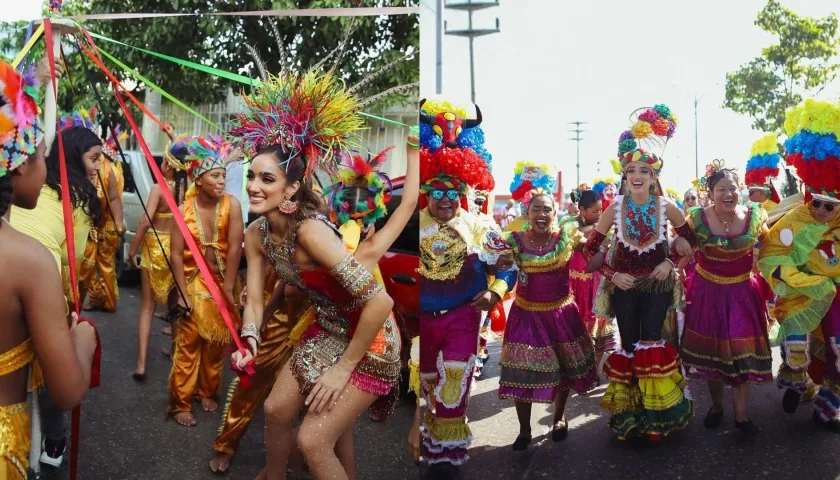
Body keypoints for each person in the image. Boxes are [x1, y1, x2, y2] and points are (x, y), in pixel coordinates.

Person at [228, 34, 418, 478]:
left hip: (370, 342)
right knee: (275, 409)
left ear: (291, 189)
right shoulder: (257, 235)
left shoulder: (312, 233)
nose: (255, 186)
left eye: (268, 179)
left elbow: (380, 302)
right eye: (252, 175)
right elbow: (255, 299)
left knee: (312, 441)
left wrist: (341, 371)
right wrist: (251, 338)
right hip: (327, 330)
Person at [0, 56, 98, 479]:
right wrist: (82, 339)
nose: (46, 168)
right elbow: (68, 388)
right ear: (20, 164)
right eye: (41, 156)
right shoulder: (29, 261)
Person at [582, 104, 695, 441]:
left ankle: (656, 414)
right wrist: (611, 274)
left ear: (653, 176)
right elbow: (590, 250)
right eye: (632, 169)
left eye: (644, 170)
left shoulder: (666, 206)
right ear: (624, 174)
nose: (638, 175)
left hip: (656, 287)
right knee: (629, 344)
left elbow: (690, 239)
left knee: (651, 341)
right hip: (624, 288)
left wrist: (670, 263)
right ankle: (631, 416)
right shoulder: (614, 208)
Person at [417, 98, 516, 480]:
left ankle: (447, 454)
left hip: (462, 317)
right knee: (427, 382)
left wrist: (493, 293)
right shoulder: (414, 222)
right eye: (436, 191)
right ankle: (429, 438)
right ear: (426, 186)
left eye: (452, 191)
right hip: (423, 320)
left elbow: (509, 268)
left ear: (463, 188)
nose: (444, 199)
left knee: (455, 377)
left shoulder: (479, 225)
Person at [758, 98, 840, 431]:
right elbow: (772, 251)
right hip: (799, 290)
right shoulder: (794, 216)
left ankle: (828, 405)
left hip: (835, 293)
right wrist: (792, 273)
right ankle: (795, 380)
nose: (821, 210)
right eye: (816, 203)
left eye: (830, 205)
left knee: (837, 347)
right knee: (796, 345)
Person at [499, 181, 597, 450]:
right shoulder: (514, 241)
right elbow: (501, 268)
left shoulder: (566, 237)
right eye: (536, 210)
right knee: (523, 372)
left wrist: (609, 256)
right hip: (525, 315)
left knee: (563, 371)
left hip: (560, 315)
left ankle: (559, 417)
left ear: (555, 214)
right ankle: (524, 431)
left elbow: (594, 252)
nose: (542, 214)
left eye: (547, 210)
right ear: (527, 213)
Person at [679, 160, 773, 436]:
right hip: (708, 292)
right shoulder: (696, 218)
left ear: (739, 189)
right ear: (711, 192)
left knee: (741, 358)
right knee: (713, 356)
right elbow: (680, 247)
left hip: (743, 292)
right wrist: (677, 249)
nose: (727, 193)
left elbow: (767, 242)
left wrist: (764, 256)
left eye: (732, 187)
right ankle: (717, 406)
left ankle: (741, 417)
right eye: (721, 188)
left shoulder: (755, 214)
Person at [168, 135, 244, 426]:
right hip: (192, 282)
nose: (222, 181)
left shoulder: (232, 205)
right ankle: (181, 402)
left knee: (216, 344)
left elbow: (235, 247)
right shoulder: (183, 210)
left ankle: (206, 391)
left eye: (224, 175)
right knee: (188, 342)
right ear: (198, 179)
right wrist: (184, 294)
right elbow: (176, 255)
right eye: (215, 175)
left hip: (222, 282)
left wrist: (227, 288)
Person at [127, 126, 188, 379]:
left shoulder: (158, 189)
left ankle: (141, 364)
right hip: (175, 249)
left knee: (147, 309)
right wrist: (175, 138)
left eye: (164, 161)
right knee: (174, 306)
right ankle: (176, 354)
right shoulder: (187, 188)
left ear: (167, 167)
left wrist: (132, 250)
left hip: (154, 248)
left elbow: (144, 221)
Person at [75, 110, 126, 313]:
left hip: (100, 228)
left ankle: (93, 304)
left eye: (99, 157)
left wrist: (119, 222)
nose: (97, 163)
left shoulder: (107, 169)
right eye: (92, 157)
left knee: (97, 268)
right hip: (76, 232)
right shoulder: (71, 169)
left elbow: (113, 198)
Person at [568, 186, 615, 370]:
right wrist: (596, 230)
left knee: (598, 328)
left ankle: (593, 368)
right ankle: (578, 368)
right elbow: (572, 240)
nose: (599, 214)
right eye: (595, 211)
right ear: (582, 210)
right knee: (576, 328)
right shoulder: (570, 226)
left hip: (596, 283)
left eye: (601, 210)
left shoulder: (605, 227)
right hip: (575, 285)